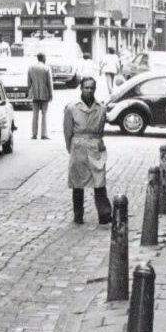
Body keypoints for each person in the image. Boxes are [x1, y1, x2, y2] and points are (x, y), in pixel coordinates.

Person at [62, 80, 111, 225]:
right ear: (81, 88)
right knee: (78, 182)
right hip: (79, 147)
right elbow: (67, 131)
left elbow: (101, 129)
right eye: (86, 88)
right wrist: (70, 147)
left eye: (92, 88)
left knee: (99, 181)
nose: (89, 91)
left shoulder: (101, 108)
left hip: (95, 145)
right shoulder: (72, 108)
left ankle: (104, 214)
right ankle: (78, 214)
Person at [25, 52, 53, 140]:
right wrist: (51, 94)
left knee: (35, 114)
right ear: (43, 58)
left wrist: (30, 91)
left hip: (35, 94)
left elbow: (29, 82)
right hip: (45, 94)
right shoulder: (46, 68)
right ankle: (43, 134)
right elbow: (50, 83)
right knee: (44, 114)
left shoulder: (31, 68)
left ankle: (34, 134)